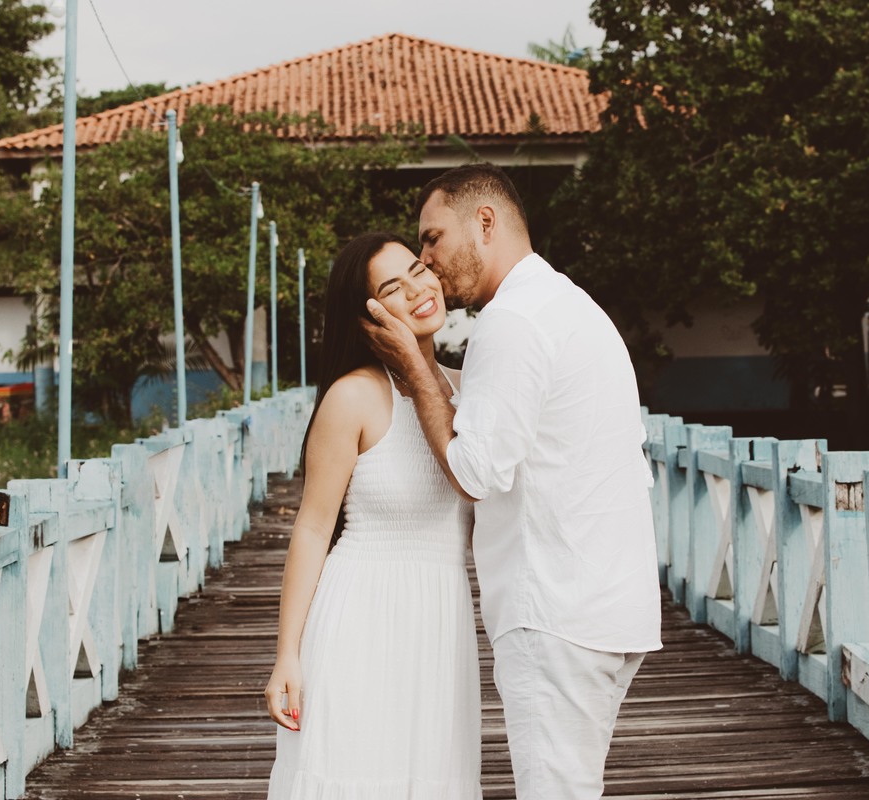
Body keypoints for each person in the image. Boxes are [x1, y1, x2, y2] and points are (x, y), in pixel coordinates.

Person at [361, 164, 662, 800]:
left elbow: (475, 471)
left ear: (486, 222)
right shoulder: (565, 303)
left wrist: (416, 371)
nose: (427, 260)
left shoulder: (512, 321)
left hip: (553, 612)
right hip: (606, 603)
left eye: (433, 238)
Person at [263, 232, 482, 799]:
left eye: (417, 269)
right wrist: (286, 654)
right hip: (361, 616)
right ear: (369, 314)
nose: (417, 290)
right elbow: (312, 529)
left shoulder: (468, 392)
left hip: (441, 622)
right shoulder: (354, 397)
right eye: (392, 287)